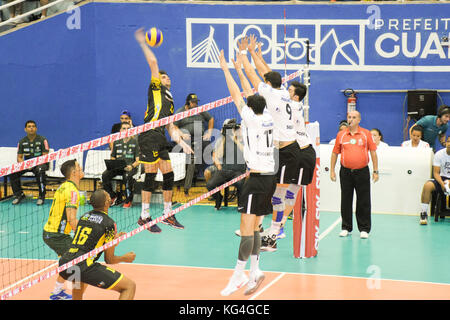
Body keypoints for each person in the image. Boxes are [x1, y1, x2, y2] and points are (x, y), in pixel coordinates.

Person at [238, 35, 316, 252]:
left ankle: (274, 229)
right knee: (281, 192)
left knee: (282, 193)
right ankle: (270, 227)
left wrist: (244, 55)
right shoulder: (283, 94)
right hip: (290, 150)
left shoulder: (276, 95)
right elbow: (268, 74)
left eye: (292, 89)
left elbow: (255, 76)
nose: (289, 89)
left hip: (298, 152)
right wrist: (256, 55)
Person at [219, 49, 276, 296]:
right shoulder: (269, 116)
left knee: (245, 231)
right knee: (254, 229)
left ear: (250, 109)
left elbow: (235, 93)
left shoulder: (250, 119)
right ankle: (254, 271)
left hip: (256, 180)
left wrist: (226, 69)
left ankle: (237, 276)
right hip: (269, 178)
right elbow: (250, 91)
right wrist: (241, 68)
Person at [134, 28, 193, 233]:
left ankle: (168, 213)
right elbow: (153, 64)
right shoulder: (156, 87)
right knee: (150, 176)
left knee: (168, 175)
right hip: (148, 135)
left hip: (160, 137)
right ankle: (144, 216)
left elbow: (170, 126)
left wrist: (182, 142)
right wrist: (143, 43)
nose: (167, 78)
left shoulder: (170, 98)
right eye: (164, 76)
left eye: (167, 77)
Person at [58, 189, 136, 300]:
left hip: (66, 264)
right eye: (109, 196)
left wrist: (115, 239)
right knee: (129, 286)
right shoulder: (109, 223)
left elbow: (91, 241)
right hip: (82, 266)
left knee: (80, 280)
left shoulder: (84, 216)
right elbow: (109, 259)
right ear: (106, 203)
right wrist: (125, 258)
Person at [330, 110, 379, 239]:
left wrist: (375, 170)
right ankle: (346, 227)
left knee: (363, 200)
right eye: (349, 117)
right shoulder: (341, 135)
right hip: (345, 172)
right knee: (346, 199)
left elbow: (373, 152)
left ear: (359, 120)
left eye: (354, 117)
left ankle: (364, 228)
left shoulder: (366, 134)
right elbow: (335, 153)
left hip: (362, 171)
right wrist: (332, 170)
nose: (351, 119)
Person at [42, 159, 84, 300]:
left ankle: (57, 292)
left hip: (54, 233)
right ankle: (76, 295)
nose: (81, 168)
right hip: (56, 235)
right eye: (79, 167)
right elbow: (72, 220)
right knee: (77, 260)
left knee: (68, 262)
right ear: (74, 173)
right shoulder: (72, 191)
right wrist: (86, 235)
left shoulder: (65, 186)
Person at [174, 93, 214, 194]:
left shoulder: (199, 110)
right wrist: (182, 134)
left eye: (196, 102)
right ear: (188, 103)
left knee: (207, 148)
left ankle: (195, 172)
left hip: (199, 138)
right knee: (187, 155)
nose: (195, 104)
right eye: (193, 102)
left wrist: (209, 132)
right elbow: (174, 126)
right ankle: (186, 180)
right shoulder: (180, 112)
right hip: (186, 139)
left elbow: (211, 119)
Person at [206, 119, 246, 210]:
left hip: (238, 171)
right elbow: (218, 155)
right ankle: (218, 197)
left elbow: (245, 152)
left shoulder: (243, 139)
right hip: (224, 170)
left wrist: (235, 139)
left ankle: (240, 205)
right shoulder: (223, 140)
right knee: (210, 185)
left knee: (240, 184)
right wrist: (225, 137)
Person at [10, 120, 50, 206]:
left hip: (41, 164)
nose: (31, 128)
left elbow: (45, 156)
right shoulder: (22, 141)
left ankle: (41, 196)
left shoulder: (43, 140)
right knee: (13, 171)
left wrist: (34, 164)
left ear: (36, 128)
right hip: (27, 165)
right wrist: (25, 165)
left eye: (33, 126)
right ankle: (19, 194)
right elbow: (19, 157)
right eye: (29, 126)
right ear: (25, 129)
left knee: (40, 170)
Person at [102, 122, 140, 208]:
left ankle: (128, 199)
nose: (126, 130)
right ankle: (113, 195)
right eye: (124, 128)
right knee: (105, 175)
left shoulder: (135, 142)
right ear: (120, 131)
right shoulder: (116, 142)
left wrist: (131, 166)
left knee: (126, 176)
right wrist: (114, 164)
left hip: (130, 167)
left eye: (128, 129)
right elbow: (112, 157)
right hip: (118, 167)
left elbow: (138, 161)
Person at [418, 136, 450, 225]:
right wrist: (443, 184)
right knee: (427, 186)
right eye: (448, 141)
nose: (449, 144)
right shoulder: (439, 154)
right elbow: (436, 173)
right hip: (441, 178)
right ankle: (423, 213)